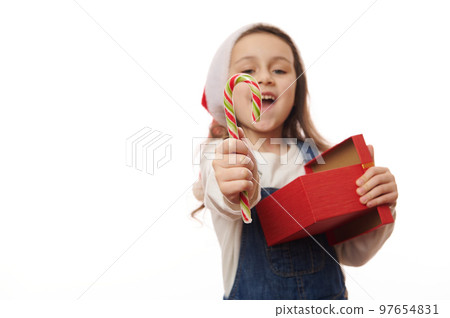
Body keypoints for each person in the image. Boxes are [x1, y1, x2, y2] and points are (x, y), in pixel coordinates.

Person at [192, 23, 398, 300]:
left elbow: (354, 254)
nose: (264, 78)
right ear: (224, 90)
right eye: (248, 70)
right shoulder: (220, 156)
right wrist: (234, 187)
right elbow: (220, 194)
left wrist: (378, 205)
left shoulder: (321, 161)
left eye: (279, 70)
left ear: (296, 88)